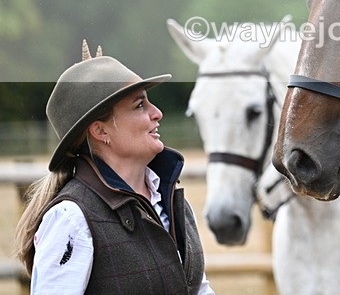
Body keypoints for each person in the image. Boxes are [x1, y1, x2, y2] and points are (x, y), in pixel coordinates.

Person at [14, 41, 214, 294]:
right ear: (100, 130)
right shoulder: (71, 219)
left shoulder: (173, 201)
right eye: (139, 105)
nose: (157, 113)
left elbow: (198, 289)